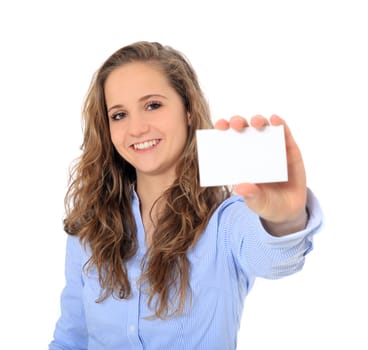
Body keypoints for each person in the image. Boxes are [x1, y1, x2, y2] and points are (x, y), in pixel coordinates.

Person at [49, 41, 323, 350]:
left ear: (188, 111)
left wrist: (285, 221)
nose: (137, 128)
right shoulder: (90, 225)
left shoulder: (226, 221)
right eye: (119, 115)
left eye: (153, 105)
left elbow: (275, 259)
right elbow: (71, 339)